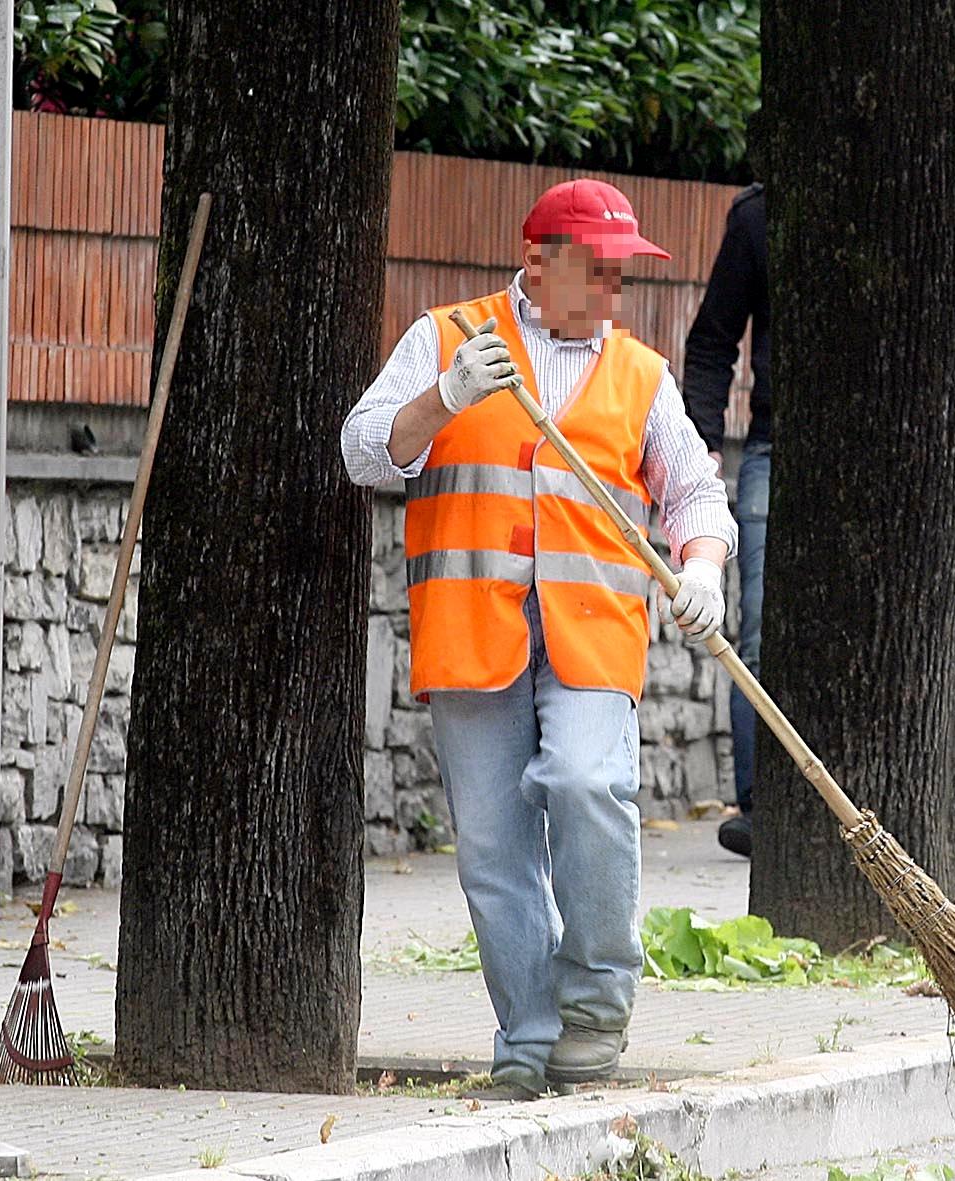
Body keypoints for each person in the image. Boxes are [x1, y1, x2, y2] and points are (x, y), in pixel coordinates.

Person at [340, 179, 735, 1101]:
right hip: (473, 632)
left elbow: (694, 494)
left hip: (591, 634)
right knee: (492, 852)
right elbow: (361, 450)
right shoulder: (446, 340)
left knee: (587, 782)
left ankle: (597, 1000)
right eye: (597, 272)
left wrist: (704, 564)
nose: (612, 293)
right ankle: (527, 1039)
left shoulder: (640, 374)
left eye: (620, 276)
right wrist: (442, 398)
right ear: (537, 260)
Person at [683, 183, 955, 857]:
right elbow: (712, 342)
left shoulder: (906, 191)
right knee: (762, 628)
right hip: (778, 446)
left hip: (896, 453)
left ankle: (881, 800)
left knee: (887, 633)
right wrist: (702, 436)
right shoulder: (761, 217)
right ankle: (762, 808)